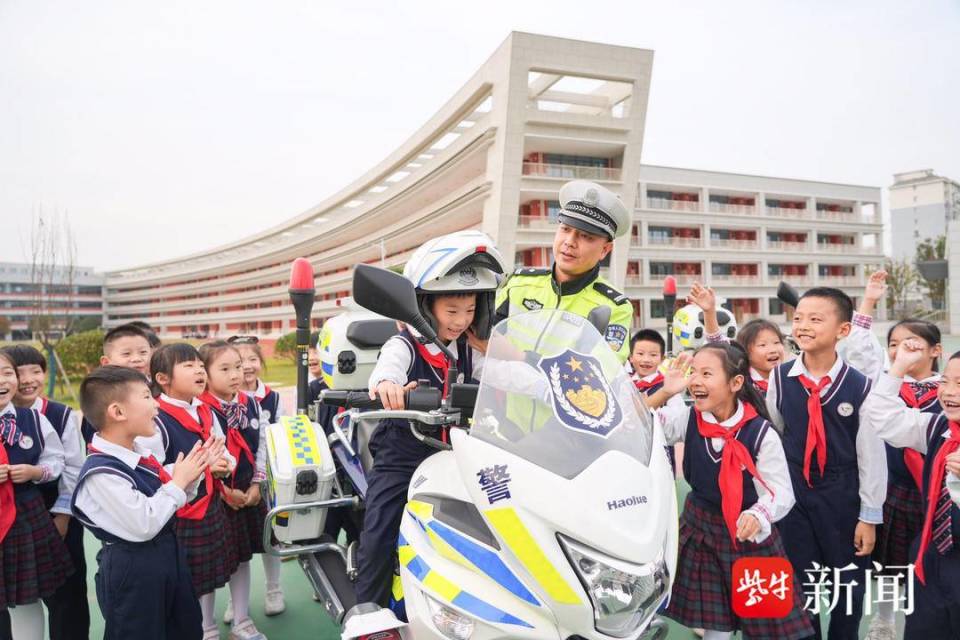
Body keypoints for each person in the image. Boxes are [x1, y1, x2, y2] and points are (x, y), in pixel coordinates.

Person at [354, 231, 506, 610]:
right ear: (425, 306)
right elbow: (385, 372)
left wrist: (536, 378)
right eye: (452, 311)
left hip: (457, 453)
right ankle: (368, 616)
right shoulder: (403, 345)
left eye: (470, 310)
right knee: (380, 529)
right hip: (403, 457)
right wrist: (388, 386)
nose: (461, 320)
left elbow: (508, 378)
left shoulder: (471, 350)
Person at [654, 344, 812, 640]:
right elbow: (636, 423)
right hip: (702, 530)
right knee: (716, 621)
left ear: (736, 382)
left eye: (706, 374)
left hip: (749, 535)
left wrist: (758, 514)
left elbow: (780, 491)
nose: (695, 381)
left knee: (768, 622)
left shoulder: (761, 432)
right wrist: (665, 392)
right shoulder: (688, 418)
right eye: (693, 373)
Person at [765, 287, 888, 640]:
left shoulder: (861, 387)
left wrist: (869, 516)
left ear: (843, 330)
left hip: (843, 495)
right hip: (796, 495)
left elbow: (871, 456)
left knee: (847, 586)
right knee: (799, 586)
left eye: (816, 319)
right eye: (798, 318)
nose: (803, 326)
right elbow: (776, 432)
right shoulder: (779, 378)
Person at [71, 366, 217, 640]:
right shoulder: (101, 472)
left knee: (185, 627)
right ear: (118, 412)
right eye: (147, 396)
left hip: (167, 555)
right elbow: (144, 523)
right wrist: (178, 482)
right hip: (133, 569)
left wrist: (192, 472)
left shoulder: (138, 454)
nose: (156, 405)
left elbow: (167, 495)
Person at [862, 341, 960, 640]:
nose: (949, 392)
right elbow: (883, 416)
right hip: (932, 558)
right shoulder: (938, 429)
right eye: (945, 381)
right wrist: (900, 366)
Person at [150, 343, 243, 640]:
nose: (199, 371)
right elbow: (152, 469)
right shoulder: (156, 418)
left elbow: (222, 450)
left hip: (208, 505)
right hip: (177, 514)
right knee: (183, 580)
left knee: (206, 576)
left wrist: (224, 465)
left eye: (200, 365)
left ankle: (207, 628)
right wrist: (205, 467)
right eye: (188, 365)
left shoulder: (206, 410)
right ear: (163, 378)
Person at [0, 345, 88, 640]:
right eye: (19, 371)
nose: (26, 380)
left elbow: (68, 465)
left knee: (58, 594)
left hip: (38, 515)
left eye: (7, 373)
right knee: (11, 599)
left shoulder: (47, 417)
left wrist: (37, 473)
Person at [495, 180, 633, 362]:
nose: (569, 241)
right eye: (565, 229)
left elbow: (599, 371)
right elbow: (482, 340)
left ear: (605, 250)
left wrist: (520, 357)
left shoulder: (615, 308)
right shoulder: (518, 284)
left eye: (586, 236)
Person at [197, 341, 279, 628]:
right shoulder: (201, 409)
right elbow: (203, 455)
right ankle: (206, 626)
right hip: (216, 495)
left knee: (245, 555)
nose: (236, 374)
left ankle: (242, 618)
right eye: (225, 369)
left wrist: (258, 483)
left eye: (238, 367)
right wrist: (223, 492)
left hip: (249, 489)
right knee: (211, 562)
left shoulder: (251, 403)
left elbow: (263, 444)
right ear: (205, 373)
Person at [231, 335, 287, 613]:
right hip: (234, 482)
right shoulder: (223, 399)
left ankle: (274, 590)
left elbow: (280, 435)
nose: (247, 366)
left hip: (267, 480)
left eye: (252, 359)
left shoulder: (272, 398)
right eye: (239, 362)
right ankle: (236, 602)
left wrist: (262, 476)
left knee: (269, 538)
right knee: (236, 545)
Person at [80, 323, 157, 445]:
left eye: (143, 352)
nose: (137, 359)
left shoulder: (160, 390)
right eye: (126, 354)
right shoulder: (100, 400)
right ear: (106, 362)